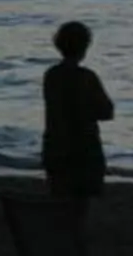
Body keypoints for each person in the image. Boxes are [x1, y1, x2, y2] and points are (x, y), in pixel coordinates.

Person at [41, 20, 114, 222]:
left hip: (56, 146)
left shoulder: (51, 76)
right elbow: (107, 111)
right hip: (84, 149)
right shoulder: (87, 78)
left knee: (59, 202)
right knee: (79, 210)